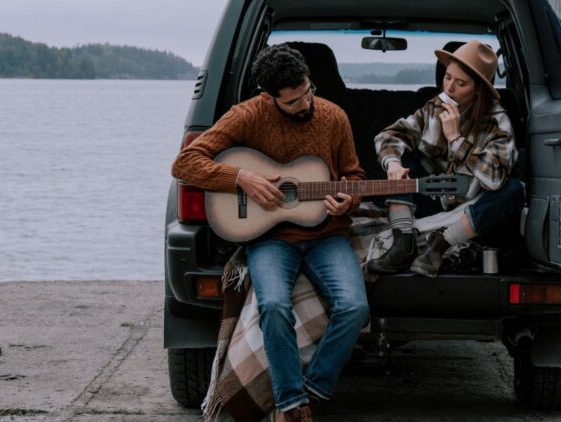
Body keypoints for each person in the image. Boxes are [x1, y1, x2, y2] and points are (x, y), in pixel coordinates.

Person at [172, 44, 369, 422]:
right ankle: (290, 404)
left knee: (355, 308)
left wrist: (349, 202)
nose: (306, 104)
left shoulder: (333, 116)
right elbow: (184, 163)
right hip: (271, 239)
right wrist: (240, 177)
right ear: (269, 97)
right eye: (293, 102)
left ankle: (312, 390)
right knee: (274, 306)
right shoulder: (247, 116)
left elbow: (354, 176)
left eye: (308, 91)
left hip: (328, 234)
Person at [367, 40, 525, 277]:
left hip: (471, 212)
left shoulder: (497, 122)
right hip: (433, 198)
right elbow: (389, 135)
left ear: (478, 89)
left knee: (513, 191)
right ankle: (404, 241)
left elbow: (494, 179)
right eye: (447, 77)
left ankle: (441, 244)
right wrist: (394, 165)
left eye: (460, 83)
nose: (449, 88)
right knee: (399, 158)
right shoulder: (433, 108)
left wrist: (456, 140)